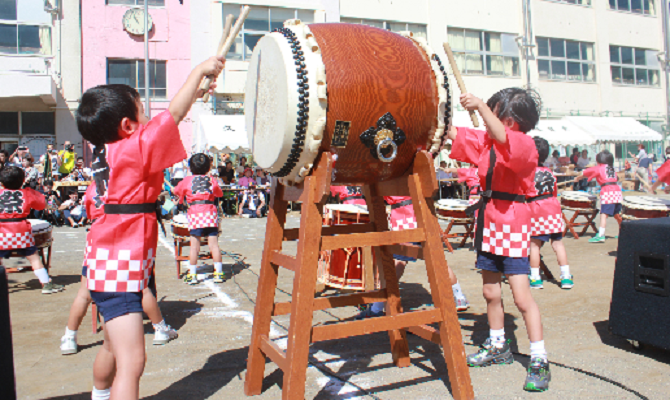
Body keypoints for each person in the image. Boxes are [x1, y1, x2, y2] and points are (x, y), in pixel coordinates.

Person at [75, 53, 223, 400]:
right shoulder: (133, 147)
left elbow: (170, 119)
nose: (149, 119)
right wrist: (198, 71)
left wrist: (195, 93)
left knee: (112, 347)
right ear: (128, 125)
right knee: (133, 360)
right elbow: (172, 114)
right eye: (142, 111)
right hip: (120, 266)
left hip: (105, 261)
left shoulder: (108, 152)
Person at [447, 88, 550, 392]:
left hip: (512, 223)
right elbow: (451, 133)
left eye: (492, 111)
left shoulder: (524, 144)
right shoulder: (487, 141)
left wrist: (479, 105)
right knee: (491, 292)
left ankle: (539, 358)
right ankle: (497, 346)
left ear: (511, 119)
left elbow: (504, 140)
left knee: (522, 298)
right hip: (488, 222)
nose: (485, 117)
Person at [60, 183, 178, 356]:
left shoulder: (94, 185)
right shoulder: (130, 182)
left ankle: (69, 337)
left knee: (85, 292)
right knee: (141, 287)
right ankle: (160, 328)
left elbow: (89, 209)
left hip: (98, 236)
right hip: (127, 236)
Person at [357, 196, 470, 319]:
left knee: (397, 262)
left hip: (405, 218)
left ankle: (376, 308)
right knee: (436, 259)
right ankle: (459, 297)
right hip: (423, 214)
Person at [0, 166, 64, 294]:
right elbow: (44, 205)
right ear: (23, 180)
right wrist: (56, 206)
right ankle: (46, 284)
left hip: (1, 232)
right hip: (21, 231)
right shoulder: (28, 193)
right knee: (34, 258)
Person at [527, 137, 573, 290]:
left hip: (536, 208)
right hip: (553, 208)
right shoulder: (550, 173)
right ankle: (566, 276)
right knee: (558, 244)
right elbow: (554, 192)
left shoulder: (527, 173)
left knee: (534, 245)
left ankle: (535, 277)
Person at [174, 153, 225, 285]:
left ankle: (192, 275)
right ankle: (218, 273)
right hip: (210, 213)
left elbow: (176, 191)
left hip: (195, 214)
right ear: (208, 168)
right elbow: (219, 193)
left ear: (190, 167)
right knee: (214, 245)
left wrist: (180, 198)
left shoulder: (187, 180)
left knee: (194, 247)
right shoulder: (211, 179)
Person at [575, 150, 623, 244]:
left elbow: (585, 173)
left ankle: (601, 235)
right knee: (617, 214)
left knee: (603, 214)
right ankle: (624, 232)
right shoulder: (612, 169)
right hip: (617, 191)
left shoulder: (599, 167)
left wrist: (577, 178)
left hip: (607, 191)